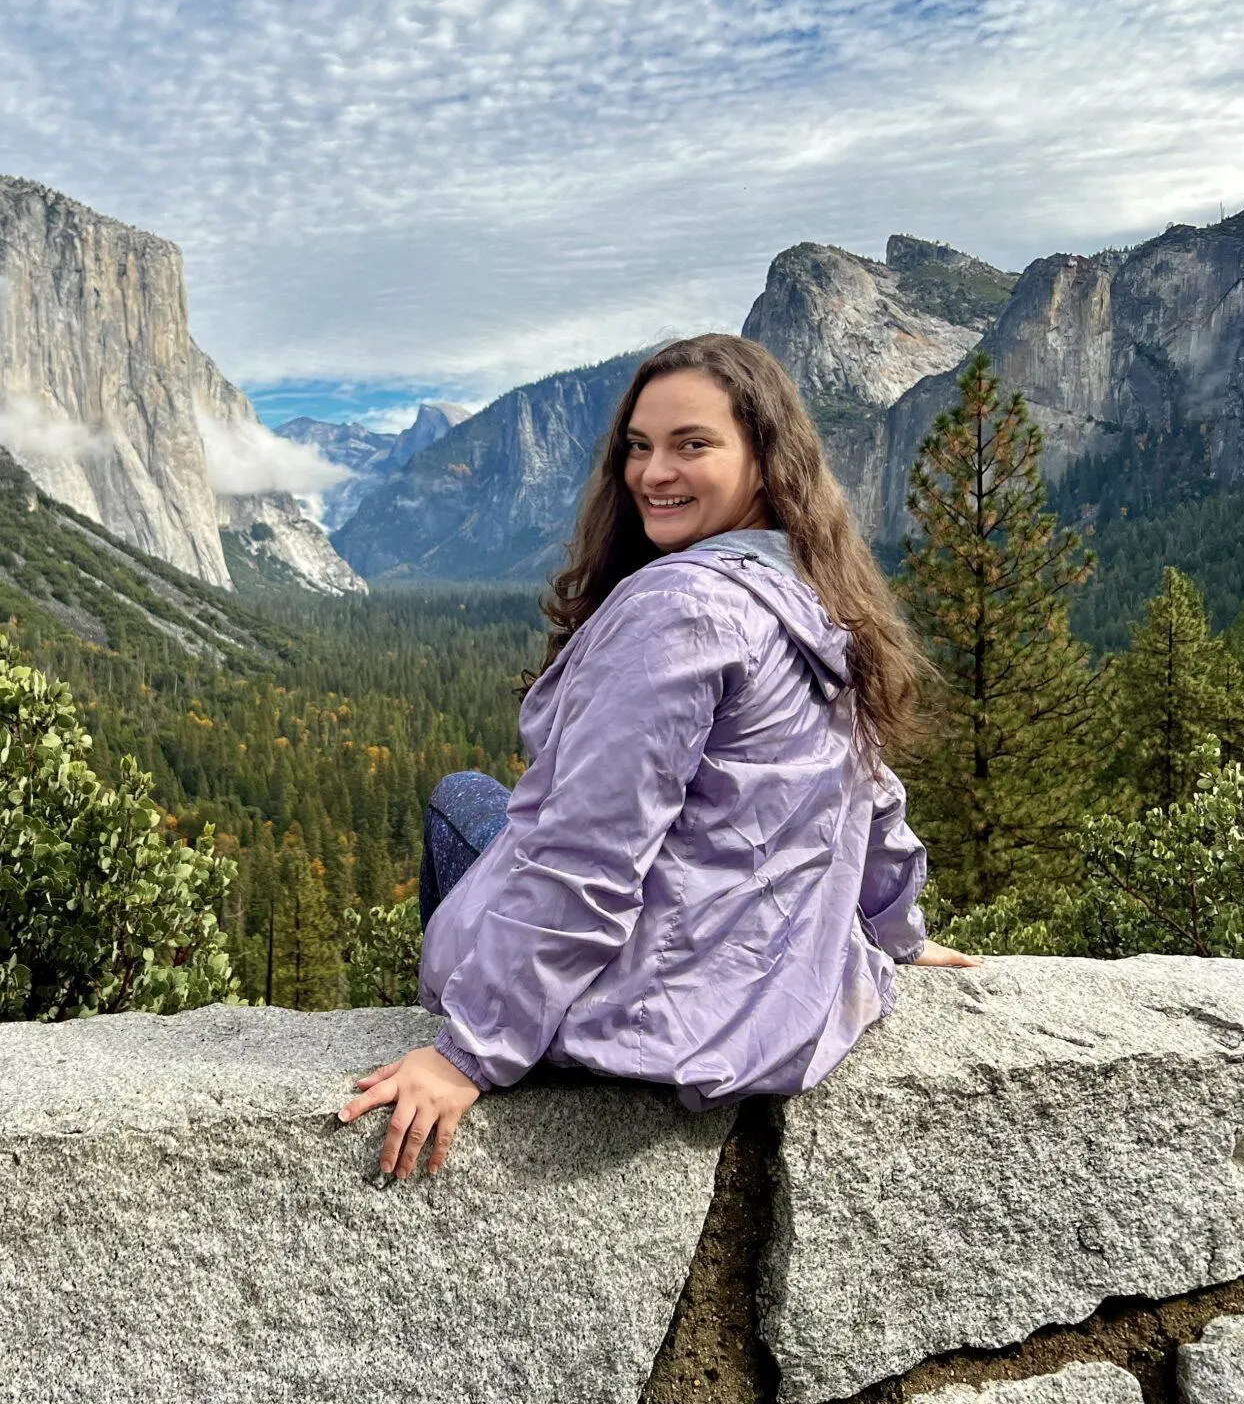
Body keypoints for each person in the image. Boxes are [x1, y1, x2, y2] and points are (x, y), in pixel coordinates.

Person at [338, 334, 979, 1179]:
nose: (652, 473)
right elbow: (868, 784)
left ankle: (459, 1020)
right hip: (781, 993)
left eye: (692, 445)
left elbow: (589, 849)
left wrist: (469, 1053)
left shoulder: (680, 609)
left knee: (464, 799)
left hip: (662, 1007)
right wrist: (895, 929)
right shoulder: (810, 591)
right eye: (639, 448)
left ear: (764, 459)